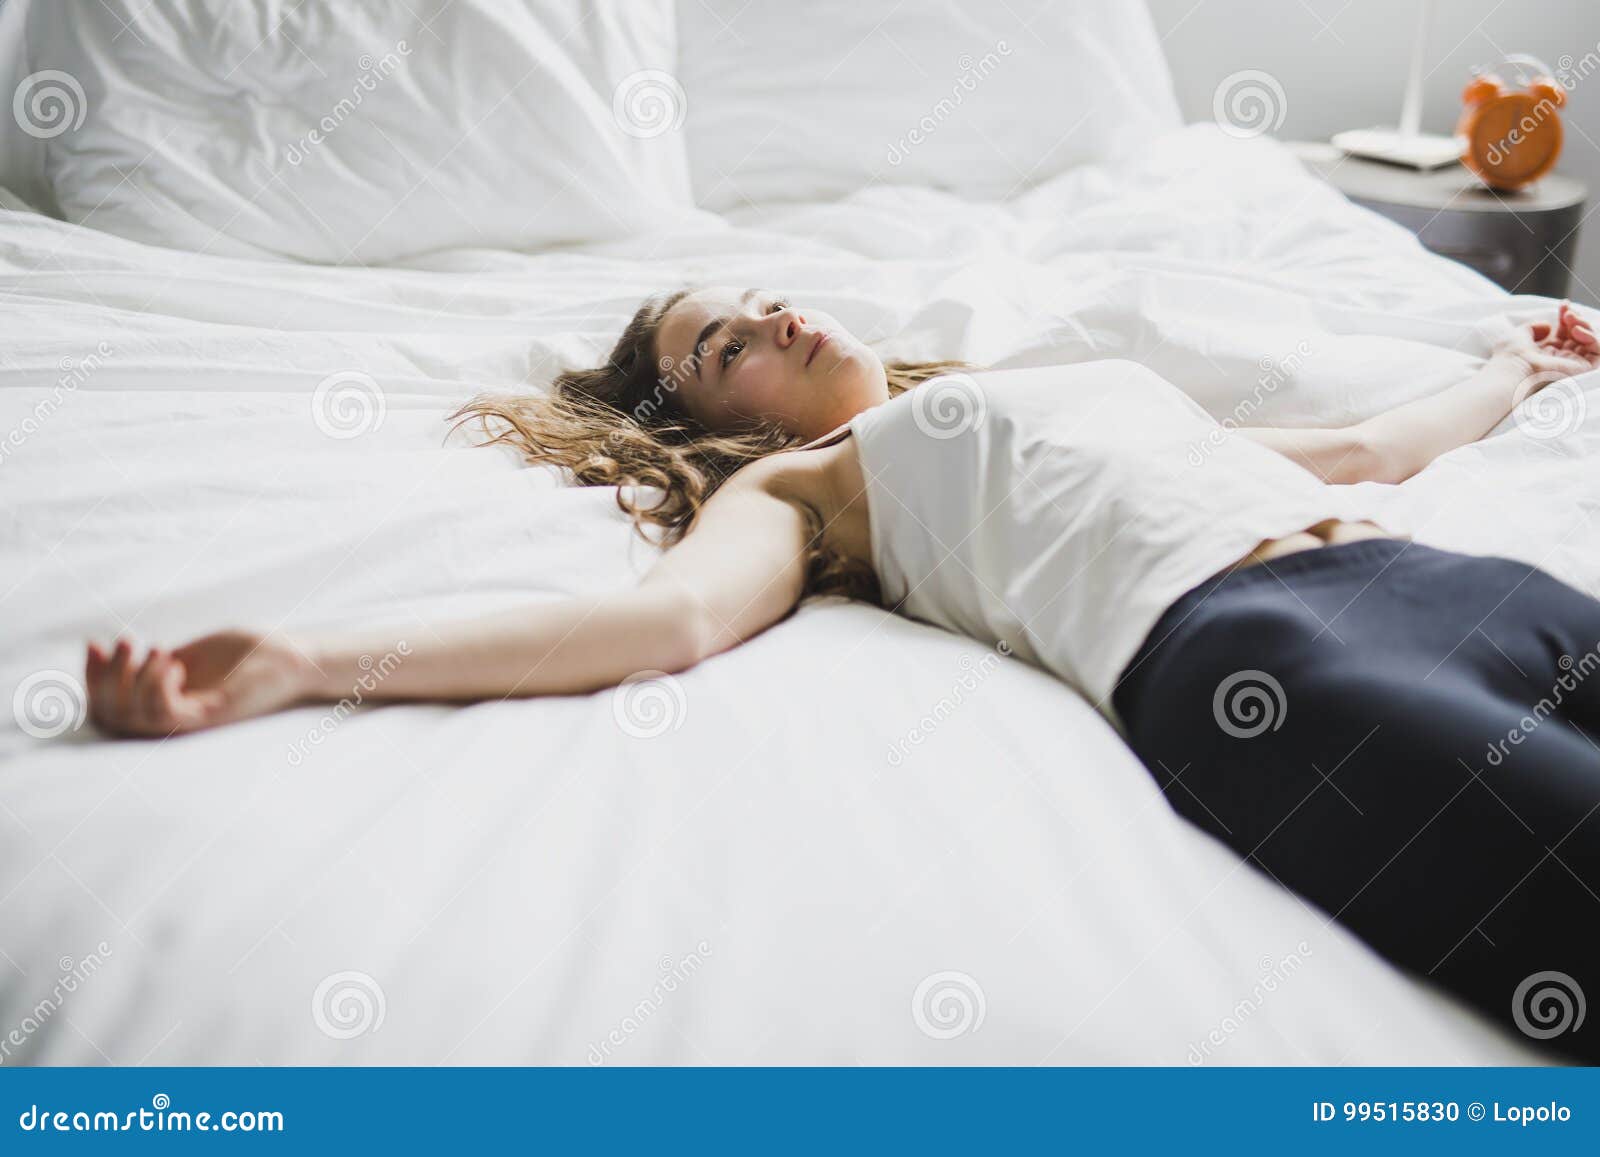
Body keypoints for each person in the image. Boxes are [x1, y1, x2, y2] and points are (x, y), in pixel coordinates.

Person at [85, 288, 1600, 1060]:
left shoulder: (1027, 380)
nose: (777, 318)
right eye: (727, 345)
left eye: (760, 297)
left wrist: (1513, 369)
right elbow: (661, 629)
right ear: (718, 424)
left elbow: (1360, 453)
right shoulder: (803, 489)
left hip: (1456, 587)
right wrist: (295, 661)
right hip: (1262, 656)